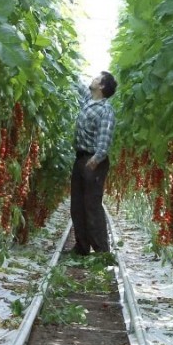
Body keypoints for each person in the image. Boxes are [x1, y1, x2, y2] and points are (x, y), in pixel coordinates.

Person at [71, 71, 117, 256]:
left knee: (92, 205)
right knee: (77, 205)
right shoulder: (89, 101)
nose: (93, 79)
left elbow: (105, 137)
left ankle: (101, 252)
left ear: (102, 86)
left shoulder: (106, 110)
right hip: (81, 157)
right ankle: (82, 248)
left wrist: (96, 159)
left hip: (93, 161)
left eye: (97, 78)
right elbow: (79, 85)